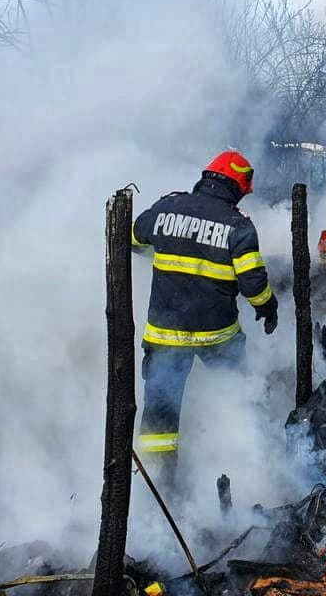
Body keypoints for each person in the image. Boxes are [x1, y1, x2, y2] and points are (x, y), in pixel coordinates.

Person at [131, 150, 278, 488]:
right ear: (236, 187)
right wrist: (268, 309)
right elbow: (253, 284)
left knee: (160, 414)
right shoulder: (238, 225)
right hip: (217, 336)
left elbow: (133, 239)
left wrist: (169, 253)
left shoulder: (166, 208)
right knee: (236, 394)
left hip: (166, 336)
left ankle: (158, 484)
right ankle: (243, 463)